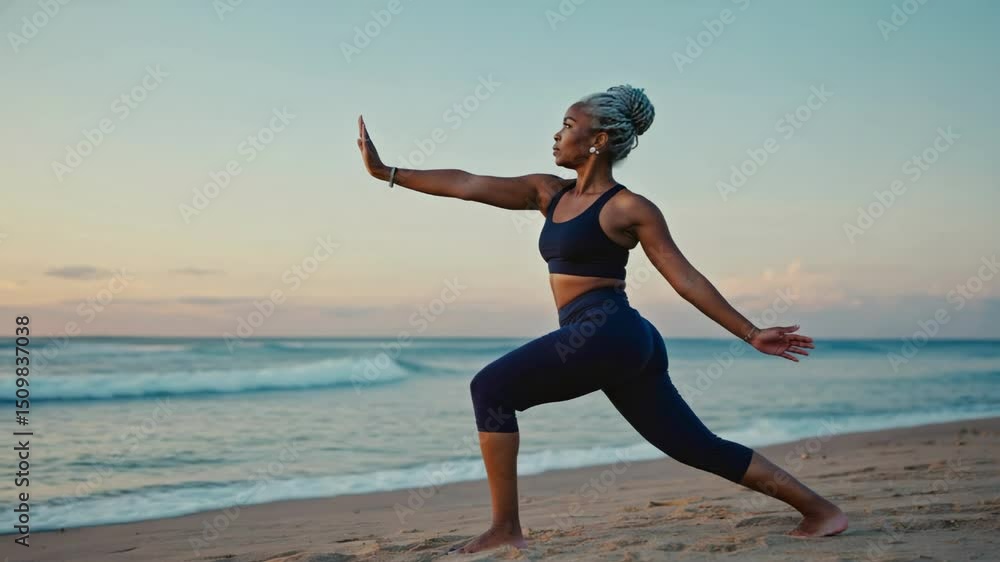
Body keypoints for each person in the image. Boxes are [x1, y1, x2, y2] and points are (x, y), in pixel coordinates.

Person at [356, 84, 848, 556]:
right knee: (695, 446)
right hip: (619, 340)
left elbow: (685, 277)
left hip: (609, 332)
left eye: (568, 125)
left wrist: (750, 332)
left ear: (598, 140)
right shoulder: (548, 193)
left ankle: (505, 529)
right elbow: (466, 184)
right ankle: (820, 510)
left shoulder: (629, 207)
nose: (556, 134)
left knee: (491, 388)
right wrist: (388, 172)